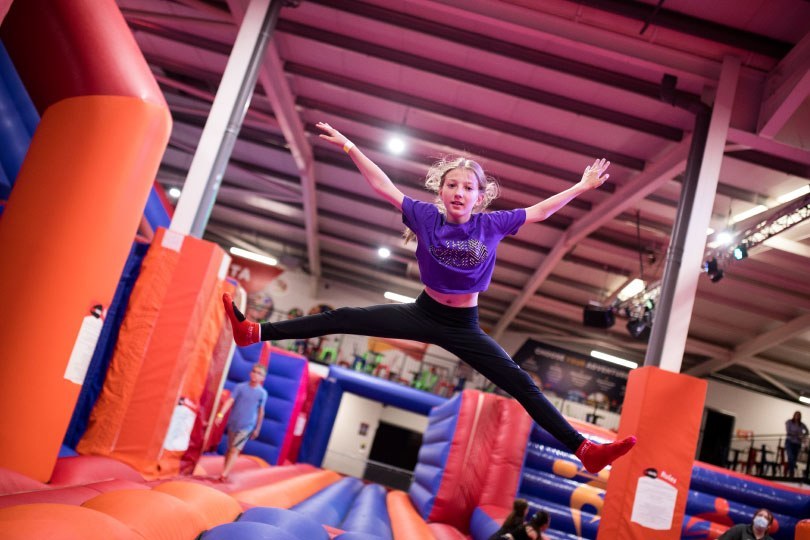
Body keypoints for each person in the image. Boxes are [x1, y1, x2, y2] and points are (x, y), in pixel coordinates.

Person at [222, 122, 636, 473]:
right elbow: (383, 186)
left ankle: (584, 450)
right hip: (423, 313)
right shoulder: (425, 216)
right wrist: (350, 147)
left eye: (467, 187)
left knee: (521, 384)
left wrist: (581, 187)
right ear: (442, 191)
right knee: (345, 315)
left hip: (464, 326)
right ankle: (255, 331)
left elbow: (541, 211)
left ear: (479, 195)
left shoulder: (492, 224)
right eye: (452, 185)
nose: (459, 192)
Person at [214, 363, 268, 481]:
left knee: (235, 449)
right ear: (250, 373)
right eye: (254, 371)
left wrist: (257, 428)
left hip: (247, 426)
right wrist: (220, 414)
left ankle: (224, 474)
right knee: (229, 449)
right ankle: (225, 469)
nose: (255, 375)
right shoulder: (240, 387)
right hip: (234, 422)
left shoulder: (262, 393)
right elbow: (230, 401)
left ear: (263, 378)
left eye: (259, 373)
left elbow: (260, 412)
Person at [785, 411, 808, 478]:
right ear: (794, 415)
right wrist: (796, 434)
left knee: (794, 458)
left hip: (797, 443)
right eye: (796, 415)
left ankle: (791, 471)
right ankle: (791, 472)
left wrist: (802, 436)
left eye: (799, 415)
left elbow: (807, 431)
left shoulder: (802, 424)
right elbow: (788, 431)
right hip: (790, 442)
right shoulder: (789, 422)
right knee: (790, 457)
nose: (797, 416)